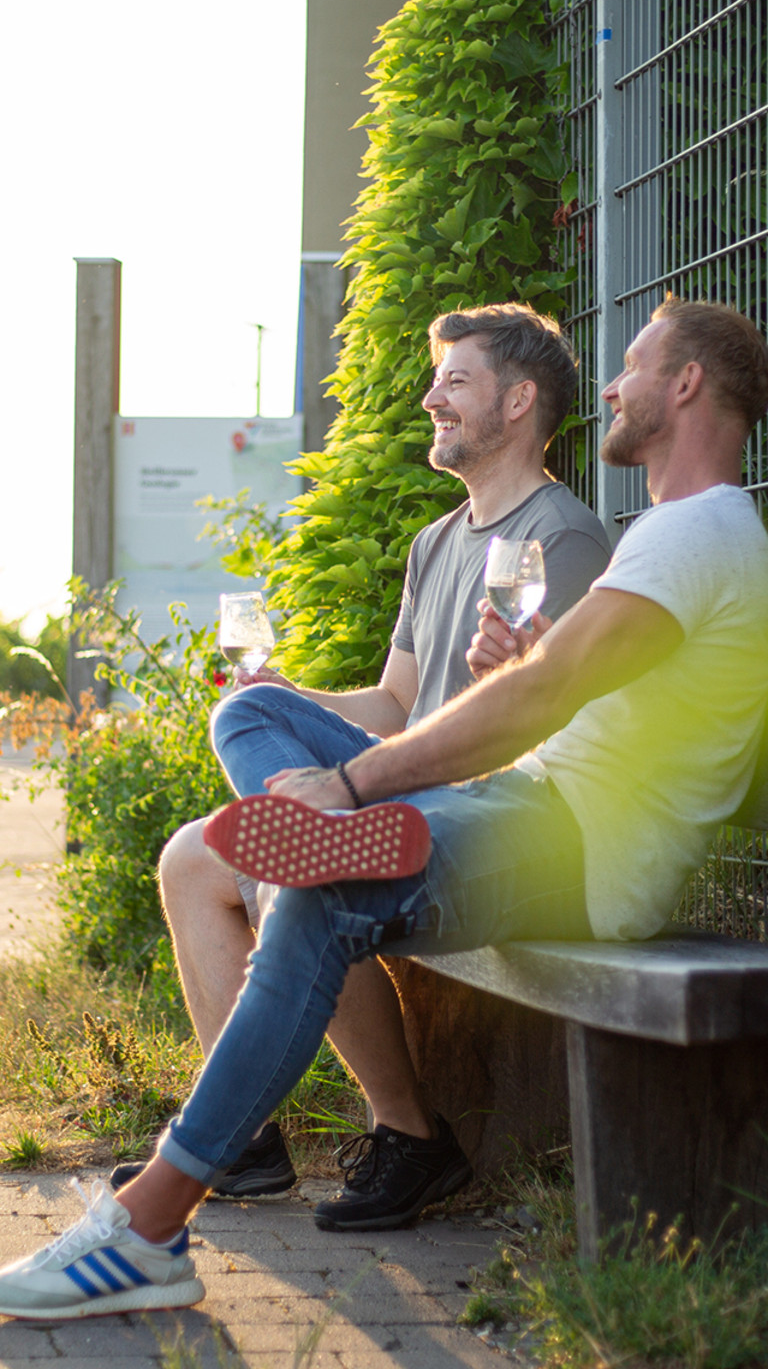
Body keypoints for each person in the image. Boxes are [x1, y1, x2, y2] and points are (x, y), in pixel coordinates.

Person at [4, 298, 767, 1323]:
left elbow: (541, 700)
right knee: (257, 712)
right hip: (531, 802)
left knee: (318, 898)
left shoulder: (695, 531)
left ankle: (147, 1225)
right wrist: (519, 664)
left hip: (580, 843)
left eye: (633, 365)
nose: (614, 386)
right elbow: (567, 688)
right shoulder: (678, 532)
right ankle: (323, 853)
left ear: (687, 384)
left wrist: (355, 785)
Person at [112, 301, 611, 1230]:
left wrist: (511, 674)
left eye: (455, 380)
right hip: (408, 782)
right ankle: (249, 1145)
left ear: (518, 402)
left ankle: (409, 1132)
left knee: (295, 876)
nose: (431, 399)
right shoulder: (435, 543)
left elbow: (551, 716)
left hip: (493, 802)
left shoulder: (563, 536)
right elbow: (391, 707)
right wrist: (293, 693)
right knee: (230, 755)